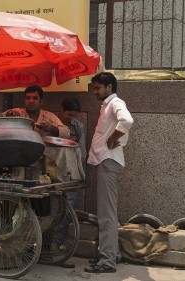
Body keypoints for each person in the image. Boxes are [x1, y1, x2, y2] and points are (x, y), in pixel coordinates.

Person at [84, 72, 133, 273]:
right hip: (104, 163)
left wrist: (112, 139)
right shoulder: (107, 105)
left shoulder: (115, 103)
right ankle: (113, 254)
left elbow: (127, 121)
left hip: (108, 162)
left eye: (98, 88)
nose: (95, 91)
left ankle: (107, 261)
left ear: (109, 88)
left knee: (106, 215)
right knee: (107, 213)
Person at [47, 97, 87, 268]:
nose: (70, 118)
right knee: (48, 207)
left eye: (73, 115)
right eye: (68, 114)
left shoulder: (78, 127)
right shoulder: (51, 123)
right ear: (61, 109)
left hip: (70, 173)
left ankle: (57, 242)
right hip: (51, 171)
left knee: (67, 209)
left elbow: (82, 151)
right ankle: (44, 242)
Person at [3, 85, 70, 138]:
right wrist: (10, 113)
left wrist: (53, 129)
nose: (31, 101)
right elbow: (5, 114)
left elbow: (66, 132)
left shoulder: (49, 116)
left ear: (41, 101)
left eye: (35, 98)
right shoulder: (18, 112)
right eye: (28, 98)